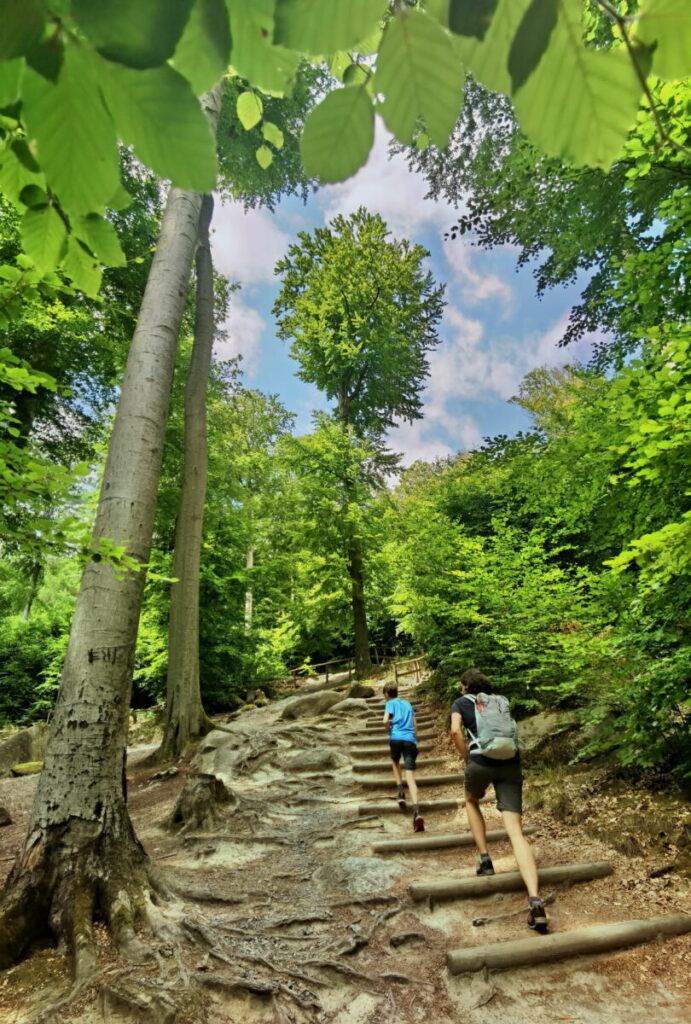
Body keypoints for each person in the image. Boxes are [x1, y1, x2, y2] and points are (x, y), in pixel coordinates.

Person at [450, 668, 548, 932]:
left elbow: (455, 732)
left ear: (464, 686)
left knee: (471, 800)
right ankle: (536, 901)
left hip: (480, 760)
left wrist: (466, 757)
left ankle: (485, 859)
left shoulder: (460, 702)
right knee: (516, 831)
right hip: (510, 762)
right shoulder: (500, 700)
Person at [383, 685, 424, 832]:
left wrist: (389, 727)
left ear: (387, 694)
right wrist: (415, 739)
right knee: (410, 776)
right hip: (409, 740)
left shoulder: (389, 703)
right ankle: (417, 810)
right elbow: (415, 725)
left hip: (395, 738)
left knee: (395, 761)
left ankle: (400, 791)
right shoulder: (407, 704)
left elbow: (385, 721)